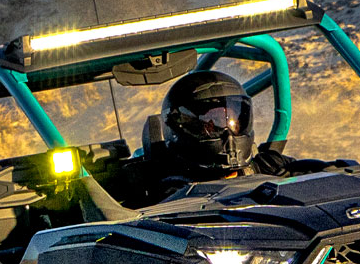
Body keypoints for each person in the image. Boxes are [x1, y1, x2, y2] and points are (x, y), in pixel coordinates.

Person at [129, 69, 337, 205]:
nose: (227, 131)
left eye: (231, 119)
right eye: (213, 123)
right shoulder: (160, 187)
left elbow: (326, 173)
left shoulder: (267, 165)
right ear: (182, 127)